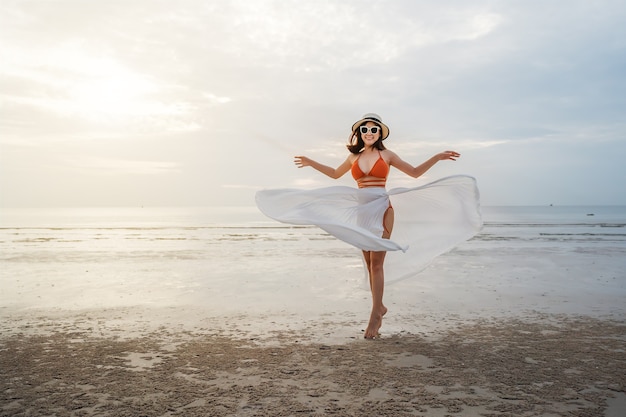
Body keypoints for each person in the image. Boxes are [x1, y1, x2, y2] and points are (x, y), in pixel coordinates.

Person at [256, 113, 481, 339]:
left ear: (380, 133)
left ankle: (375, 314)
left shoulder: (387, 154)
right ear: (359, 134)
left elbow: (414, 173)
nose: (370, 133)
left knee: (376, 265)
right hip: (362, 213)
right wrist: (311, 162)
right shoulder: (354, 158)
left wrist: (436, 157)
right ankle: (380, 306)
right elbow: (335, 175)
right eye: (365, 130)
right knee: (368, 263)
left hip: (382, 208)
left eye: (374, 129)